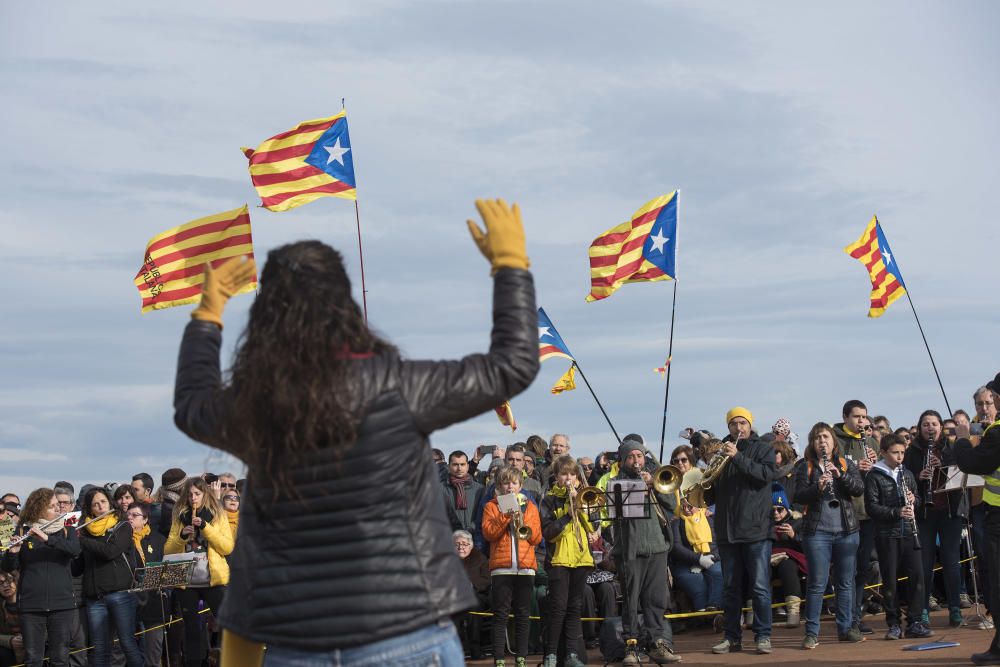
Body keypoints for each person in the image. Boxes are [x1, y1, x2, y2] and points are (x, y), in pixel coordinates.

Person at [171, 199, 537, 667]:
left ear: (266, 317)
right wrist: (511, 268)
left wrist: (207, 316)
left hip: (297, 647)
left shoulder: (255, 406)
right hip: (411, 636)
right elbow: (512, 366)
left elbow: (191, 405)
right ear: (345, 306)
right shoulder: (400, 385)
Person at [708, 407, 778, 655]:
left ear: (750, 425)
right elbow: (712, 490)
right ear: (728, 427)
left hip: (756, 529)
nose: (739, 428)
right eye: (734, 424)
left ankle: (763, 635)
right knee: (730, 588)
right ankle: (731, 637)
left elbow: (765, 476)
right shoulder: (720, 451)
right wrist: (698, 495)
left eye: (743, 423)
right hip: (727, 531)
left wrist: (737, 456)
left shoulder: (764, 449)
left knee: (759, 586)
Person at [609, 436, 681, 665]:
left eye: (639, 456)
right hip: (631, 550)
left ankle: (657, 642)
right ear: (623, 461)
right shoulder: (616, 484)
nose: (636, 460)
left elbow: (671, 506)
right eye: (630, 456)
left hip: (657, 546)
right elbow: (617, 516)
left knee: (656, 599)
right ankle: (631, 644)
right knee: (631, 600)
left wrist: (655, 487)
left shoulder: (655, 479)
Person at [794, 423, 865, 649]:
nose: (821, 441)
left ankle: (845, 629)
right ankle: (812, 632)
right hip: (817, 533)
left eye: (825, 437)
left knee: (845, 582)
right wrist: (818, 486)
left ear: (834, 441)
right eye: (817, 438)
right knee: (817, 583)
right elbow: (799, 496)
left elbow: (858, 489)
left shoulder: (845, 463)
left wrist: (840, 475)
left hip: (847, 532)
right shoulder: (804, 466)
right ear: (812, 443)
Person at [0, 488, 80, 667]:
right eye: (52, 506)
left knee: (59, 658)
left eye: (58, 505)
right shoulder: (23, 528)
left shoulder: (67, 529)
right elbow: (8, 567)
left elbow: (75, 551)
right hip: (31, 605)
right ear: (39, 508)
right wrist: (13, 553)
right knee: (33, 659)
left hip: (62, 604)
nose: (58, 509)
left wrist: (48, 539)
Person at [865, 433, 931, 640]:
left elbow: (918, 500)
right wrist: (896, 512)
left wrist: (914, 499)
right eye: (895, 453)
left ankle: (915, 621)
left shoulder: (907, 474)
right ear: (883, 452)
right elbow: (872, 508)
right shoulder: (875, 475)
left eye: (902, 452)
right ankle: (893, 623)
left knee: (917, 576)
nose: (900, 457)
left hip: (910, 532)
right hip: (887, 534)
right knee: (890, 580)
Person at [904, 409, 965, 627]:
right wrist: (918, 477)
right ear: (920, 428)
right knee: (925, 563)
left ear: (941, 426)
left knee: (951, 562)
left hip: (950, 512)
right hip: (924, 514)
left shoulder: (952, 449)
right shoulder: (912, 452)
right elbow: (905, 480)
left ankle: (955, 607)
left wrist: (945, 470)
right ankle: (922, 609)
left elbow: (962, 479)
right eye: (926, 424)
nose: (930, 428)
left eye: (934, 424)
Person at [163, 477, 233, 667]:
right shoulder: (179, 514)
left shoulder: (217, 513)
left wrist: (205, 527)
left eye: (197, 494)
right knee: (192, 628)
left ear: (205, 494)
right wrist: (182, 537)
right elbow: (168, 549)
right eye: (190, 494)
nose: (193, 498)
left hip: (214, 580)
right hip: (187, 582)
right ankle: (194, 662)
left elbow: (227, 547)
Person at [956, 372, 1000, 665]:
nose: (993, 399)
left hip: (998, 518)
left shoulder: (997, 432)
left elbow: (973, 463)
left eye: (995, 395)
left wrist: (961, 441)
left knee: (996, 582)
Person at [483, 465, 542, 667]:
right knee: (500, 615)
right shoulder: (491, 506)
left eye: (514, 483)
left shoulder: (530, 507)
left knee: (523, 615)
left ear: (520, 486)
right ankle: (499, 658)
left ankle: (521, 657)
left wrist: (522, 516)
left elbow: (536, 538)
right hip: (502, 568)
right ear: (499, 486)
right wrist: (507, 514)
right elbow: (489, 533)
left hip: (525, 567)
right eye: (506, 483)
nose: (510, 487)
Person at [78, 486, 144, 667]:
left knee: (127, 643)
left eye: (103, 502)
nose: (100, 506)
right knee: (99, 648)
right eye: (95, 504)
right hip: (95, 598)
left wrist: (82, 542)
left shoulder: (122, 526)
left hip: (120, 594)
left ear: (110, 502)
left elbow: (110, 552)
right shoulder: (84, 531)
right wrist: (69, 545)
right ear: (89, 508)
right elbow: (78, 568)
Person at [539, 454, 595, 667]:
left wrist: (580, 510)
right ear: (556, 476)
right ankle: (551, 655)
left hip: (581, 558)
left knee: (574, 607)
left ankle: (572, 654)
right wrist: (567, 515)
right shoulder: (549, 499)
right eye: (564, 474)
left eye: (573, 474)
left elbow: (593, 527)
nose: (569, 478)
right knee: (558, 608)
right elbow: (549, 533)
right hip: (559, 560)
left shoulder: (584, 496)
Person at [833, 399, 878, 636]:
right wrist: (853, 466)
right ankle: (845, 617)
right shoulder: (835, 440)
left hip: (868, 512)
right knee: (845, 569)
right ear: (845, 417)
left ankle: (856, 616)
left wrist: (875, 464)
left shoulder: (870, 441)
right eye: (857, 417)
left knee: (862, 568)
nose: (861, 421)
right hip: (844, 512)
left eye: (864, 417)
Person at [126, 503, 167, 667]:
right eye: (127, 515)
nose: (129, 518)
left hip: (153, 599)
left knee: (153, 646)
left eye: (134, 515)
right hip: (129, 596)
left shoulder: (158, 539)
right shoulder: (121, 540)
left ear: (146, 519)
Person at [768, 488, 804, 630]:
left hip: (791, 560)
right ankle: (758, 612)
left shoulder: (798, 522)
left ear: (786, 509)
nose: (776, 513)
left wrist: (794, 535)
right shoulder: (765, 524)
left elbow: (807, 547)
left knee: (787, 567)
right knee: (760, 569)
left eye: (779, 509)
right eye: (772, 510)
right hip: (769, 560)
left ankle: (793, 612)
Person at [453, 530, 489, 661]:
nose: (461, 547)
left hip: (476, 596)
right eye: (457, 544)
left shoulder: (480, 558)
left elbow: (487, 579)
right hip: (454, 598)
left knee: (474, 609)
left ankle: (475, 648)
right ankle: (456, 650)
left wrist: (471, 585)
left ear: (471, 545)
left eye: (464, 544)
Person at [444, 451, 485, 535]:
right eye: (455, 464)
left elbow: (482, 515)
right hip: (450, 538)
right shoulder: (441, 489)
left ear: (467, 466)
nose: (459, 468)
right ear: (448, 467)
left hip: (474, 536)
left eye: (462, 464)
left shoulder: (480, 489)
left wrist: (470, 530)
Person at [0, 569, 24, 666]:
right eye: (0, 583)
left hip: (34, 644)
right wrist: (10, 641)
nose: (6, 585)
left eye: (9, 580)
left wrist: (28, 638)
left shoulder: (31, 602)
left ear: (17, 581)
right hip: (8, 649)